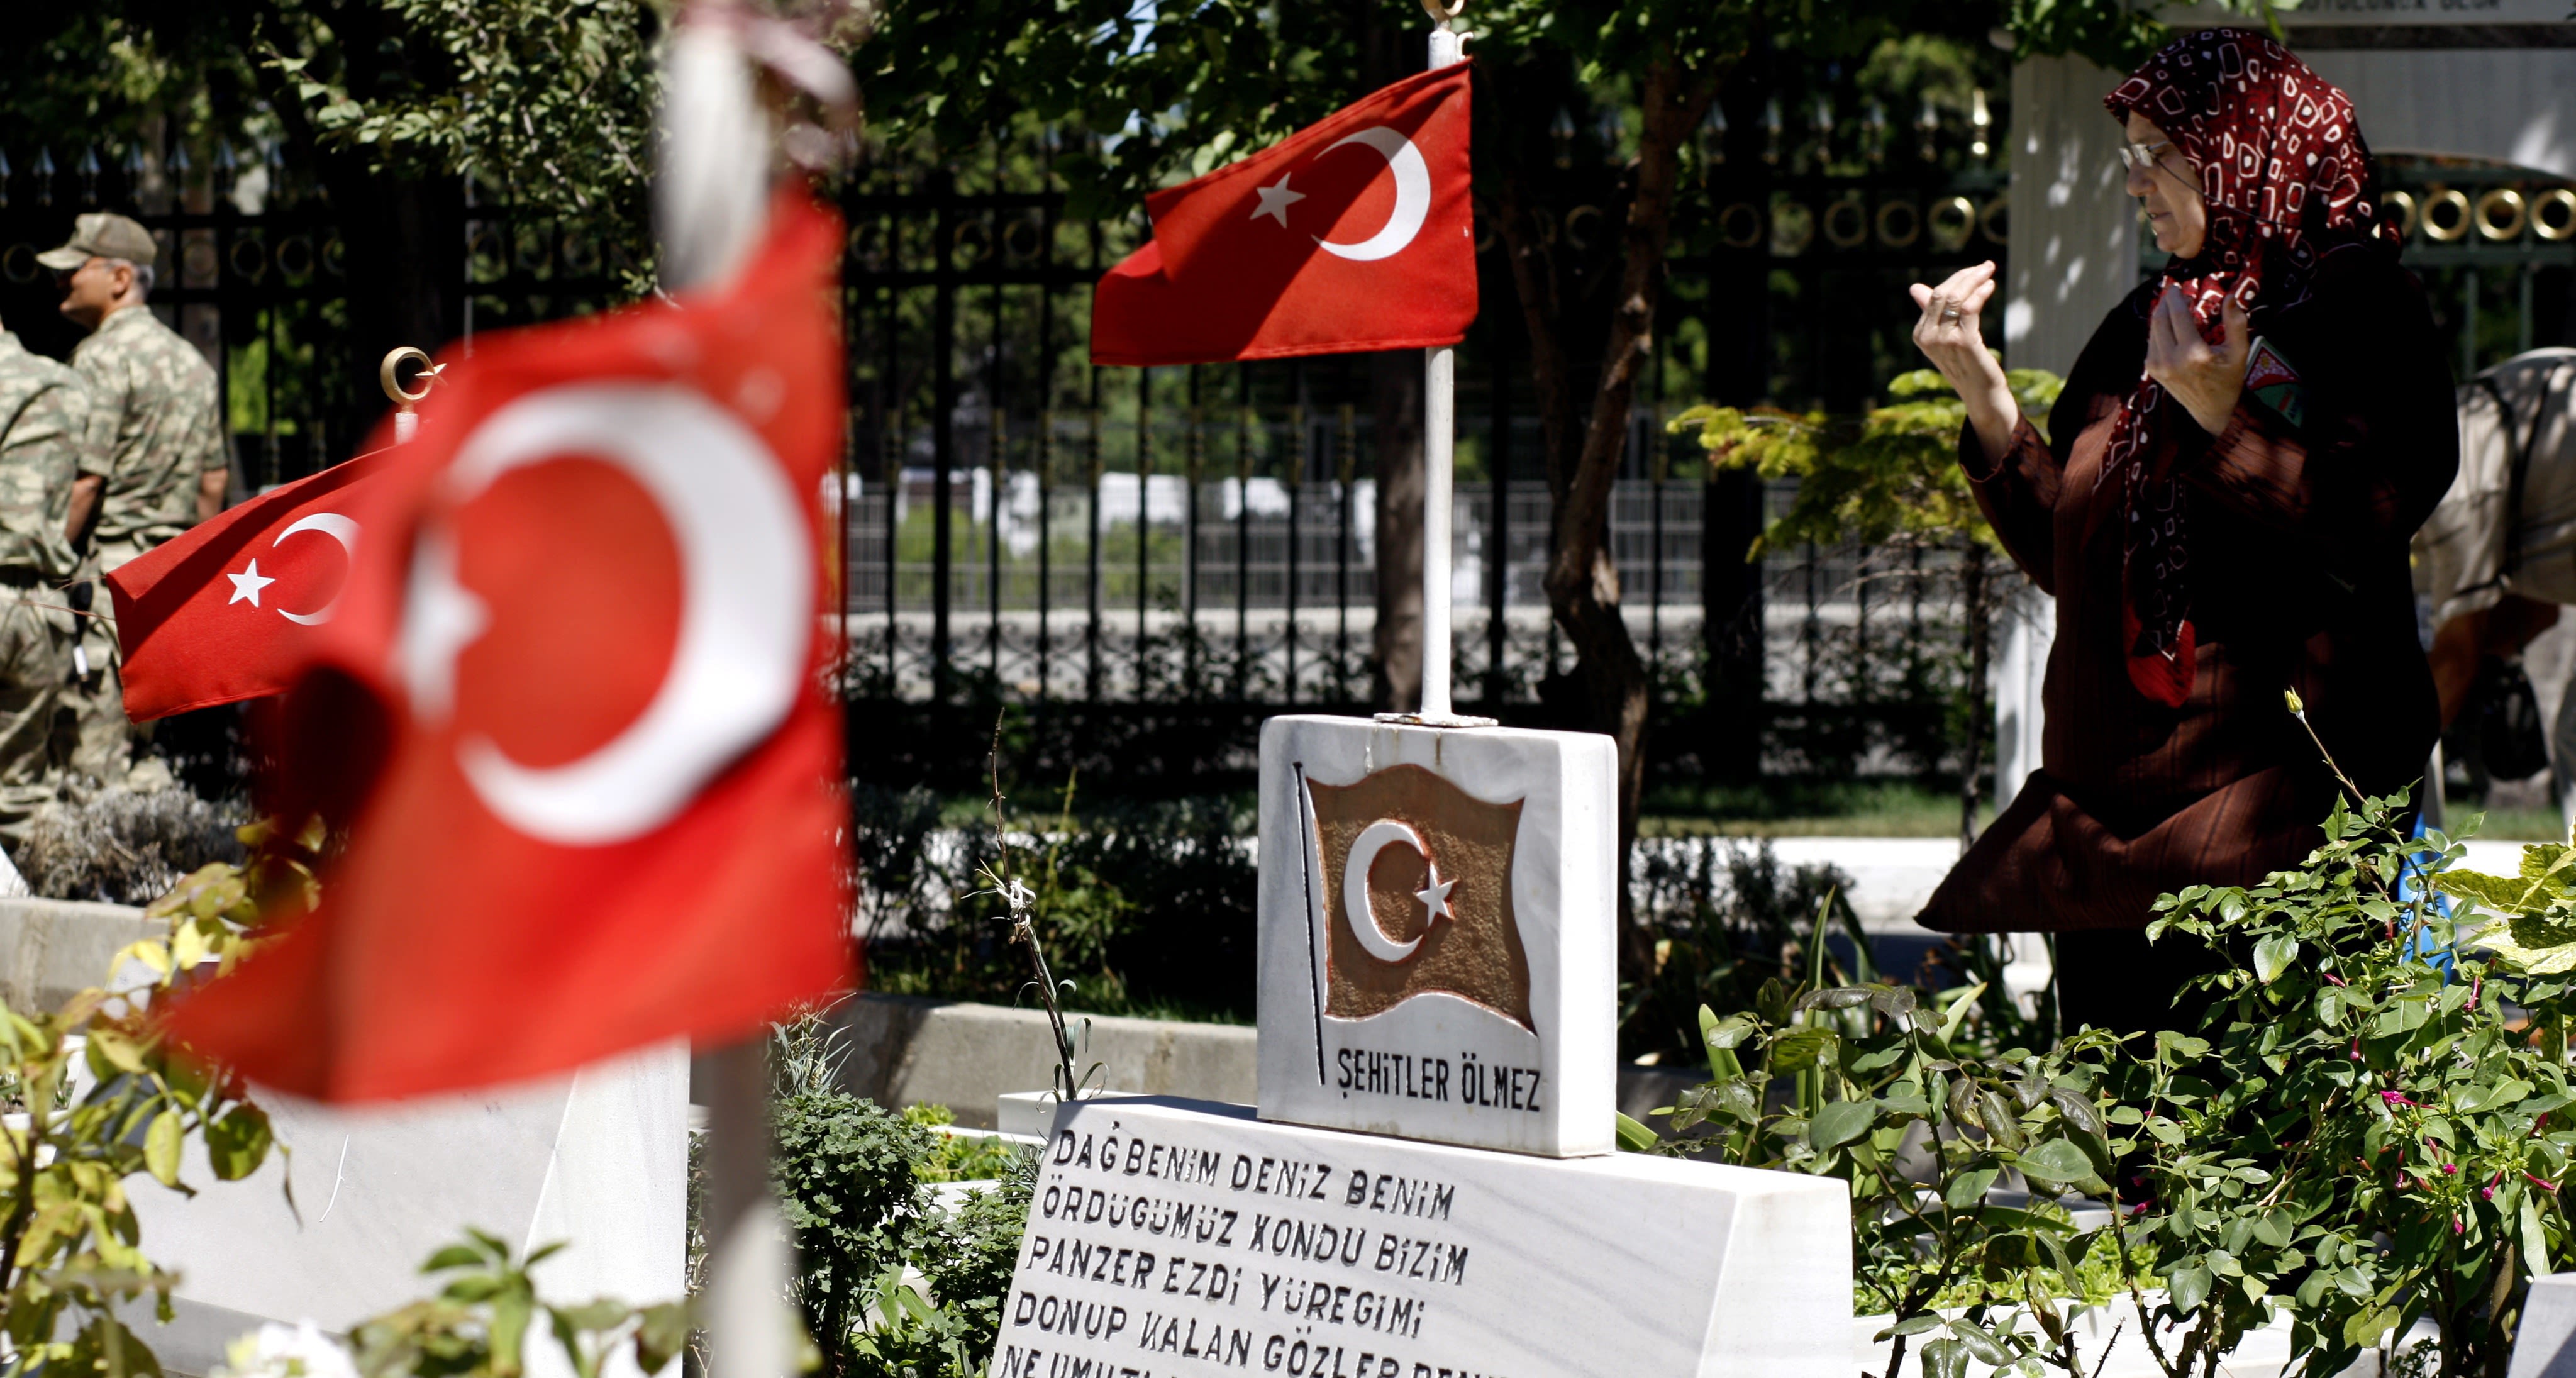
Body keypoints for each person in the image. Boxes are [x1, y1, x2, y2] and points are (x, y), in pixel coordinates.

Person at [1907, 30, 2458, 1037]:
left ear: (2245, 150)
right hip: (2104, 826)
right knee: (2122, 1125)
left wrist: (2221, 416)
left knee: (2264, 1120)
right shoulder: (2148, 318)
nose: (2135, 183)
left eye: (2160, 153)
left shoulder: (2359, 308)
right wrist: (1986, 401)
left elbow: (2365, 517)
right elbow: (2072, 555)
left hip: (2273, 821)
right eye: (2131, 155)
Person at [37, 212, 227, 789]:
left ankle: (98, 842)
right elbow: (213, 482)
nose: (62, 281)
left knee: (93, 749)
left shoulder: (100, 357)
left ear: (120, 278)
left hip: (110, 578)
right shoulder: (194, 364)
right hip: (169, 572)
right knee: (149, 736)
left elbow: (86, 481)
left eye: (74, 269)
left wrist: (49, 562)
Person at [0, 321, 91, 855]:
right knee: (23, 789)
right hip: (39, 602)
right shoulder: (67, 385)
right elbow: (91, 482)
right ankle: (39, 890)